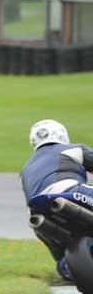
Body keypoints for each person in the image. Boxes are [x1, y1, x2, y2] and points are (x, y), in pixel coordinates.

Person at [20, 119, 93, 281]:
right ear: (62, 134)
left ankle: (66, 265)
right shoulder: (72, 149)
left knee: (62, 260)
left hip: (38, 213)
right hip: (69, 192)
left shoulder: (25, 169)